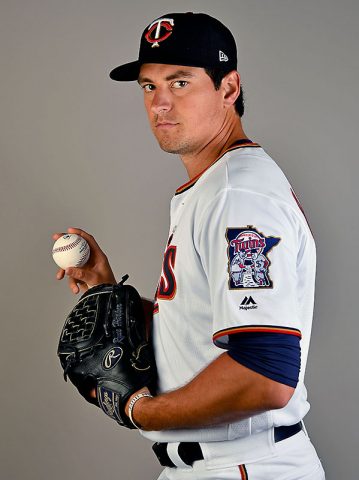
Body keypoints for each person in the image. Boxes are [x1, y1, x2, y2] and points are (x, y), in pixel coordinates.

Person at [54, 12, 325, 480]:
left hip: (246, 465)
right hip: (213, 464)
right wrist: (108, 291)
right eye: (148, 86)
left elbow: (265, 374)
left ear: (229, 88)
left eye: (179, 83)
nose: (160, 104)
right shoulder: (214, 187)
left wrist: (140, 411)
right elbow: (202, 330)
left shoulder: (238, 197)